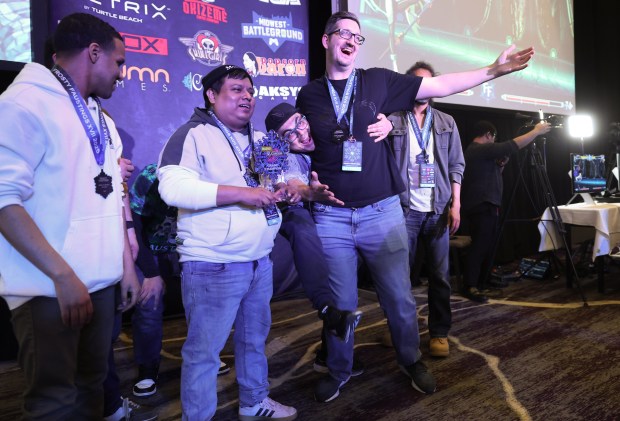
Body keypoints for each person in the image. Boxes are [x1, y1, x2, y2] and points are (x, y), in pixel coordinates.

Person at [295, 10, 535, 402]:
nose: (351, 39)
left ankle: (410, 359)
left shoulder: (377, 81)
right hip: (332, 217)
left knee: (400, 298)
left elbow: (439, 84)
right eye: (342, 32)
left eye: (358, 35)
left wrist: (493, 71)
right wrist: (305, 175)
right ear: (326, 41)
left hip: (382, 212)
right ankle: (339, 368)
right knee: (340, 304)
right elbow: (301, 143)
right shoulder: (309, 95)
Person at [0, 12, 140, 419]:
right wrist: (62, 275)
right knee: (54, 403)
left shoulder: (100, 117)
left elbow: (112, 196)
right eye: (119, 62)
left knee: (92, 390)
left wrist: (125, 266)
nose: (122, 73)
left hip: (99, 283)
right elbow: (4, 200)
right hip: (49, 290)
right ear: (94, 53)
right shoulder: (22, 103)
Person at [157, 64, 296, 421]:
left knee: (253, 342)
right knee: (204, 354)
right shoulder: (192, 134)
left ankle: (253, 401)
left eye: (250, 91)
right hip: (213, 263)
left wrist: (282, 191)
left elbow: (263, 188)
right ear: (211, 96)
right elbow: (172, 188)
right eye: (236, 90)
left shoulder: (256, 139)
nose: (246, 97)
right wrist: (240, 194)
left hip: (258, 261)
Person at [264, 102, 392, 372]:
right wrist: (310, 192)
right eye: (289, 134)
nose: (300, 134)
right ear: (280, 141)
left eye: (300, 122)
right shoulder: (282, 155)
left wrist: (388, 122)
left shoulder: (325, 134)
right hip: (297, 213)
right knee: (301, 226)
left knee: (344, 286)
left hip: (339, 217)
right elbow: (292, 184)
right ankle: (325, 311)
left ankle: (327, 352)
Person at [387, 61, 465, 358]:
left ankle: (439, 333)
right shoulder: (392, 120)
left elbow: (457, 165)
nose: (424, 88)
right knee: (398, 278)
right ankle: (399, 329)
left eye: (429, 82)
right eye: (417, 83)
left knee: (439, 276)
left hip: (438, 209)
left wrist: (456, 204)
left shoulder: (446, 122)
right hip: (403, 210)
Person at [461, 120, 551, 302]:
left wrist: (501, 165)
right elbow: (513, 145)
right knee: (479, 246)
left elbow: (493, 174)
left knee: (486, 245)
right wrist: (536, 131)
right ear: (488, 134)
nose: (494, 141)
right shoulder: (478, 149)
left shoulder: (481, 153)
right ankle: (470, 285)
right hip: (481, 204)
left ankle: (482, 280)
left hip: (488, 204)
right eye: (493, 138)